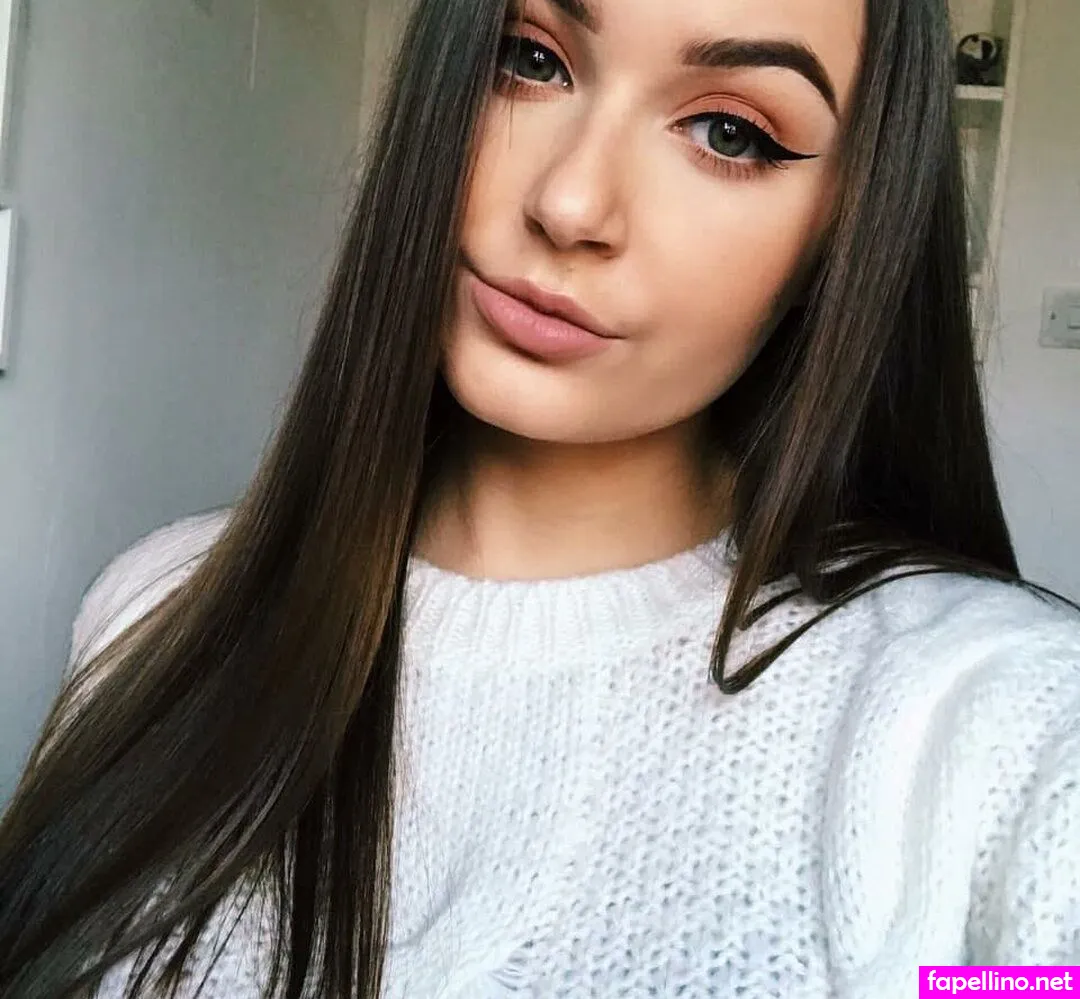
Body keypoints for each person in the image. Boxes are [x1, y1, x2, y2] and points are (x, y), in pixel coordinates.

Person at [1, 0, 1078, 995]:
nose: (569, 204)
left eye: (730, 133)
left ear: (846, 229)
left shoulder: (996, 731)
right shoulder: (152, 608)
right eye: (530, 59)